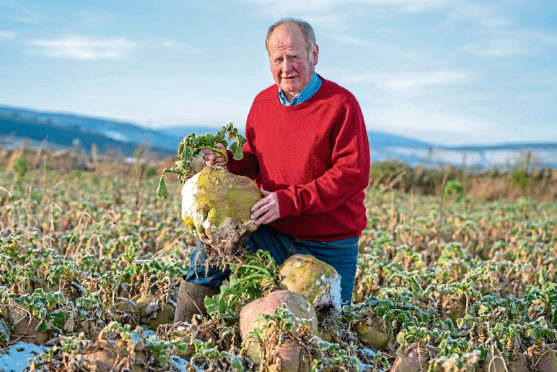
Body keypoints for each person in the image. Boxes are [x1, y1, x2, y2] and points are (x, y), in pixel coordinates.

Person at [175, 18, 370, 322]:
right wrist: (229, 160)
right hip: (271, 231)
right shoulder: (262, 103)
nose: (286, 67)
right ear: (269, 61)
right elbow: (254, 158)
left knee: (327, 325)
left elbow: (351, 174)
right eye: (278, 59)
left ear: (314, 54)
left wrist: (289, 201)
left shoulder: (341, 105)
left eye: (294, 56)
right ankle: (182, 339)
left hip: (328, 241)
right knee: (207, 258)